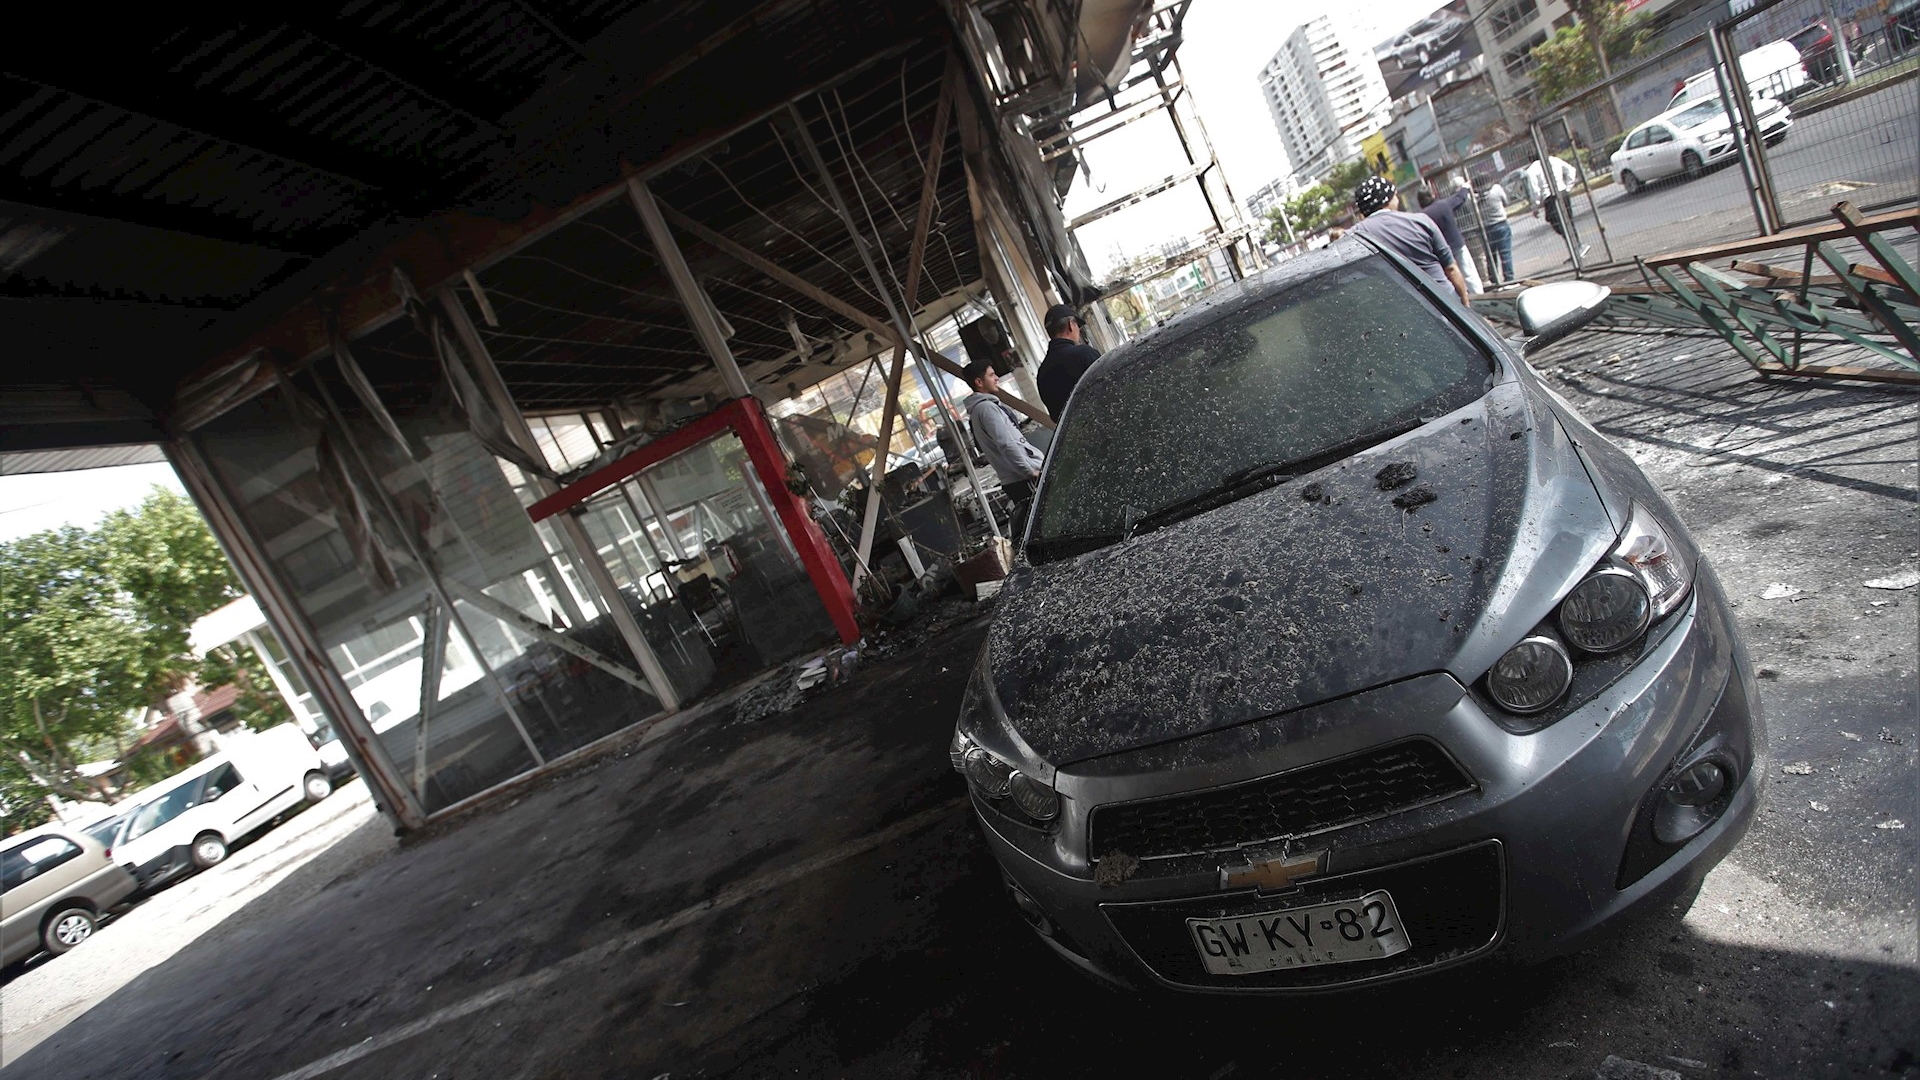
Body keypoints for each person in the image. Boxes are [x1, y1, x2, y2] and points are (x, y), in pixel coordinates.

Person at [1346, 175, 1471, 306]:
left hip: (1406, 313)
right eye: (1395, 195)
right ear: (1388, 199)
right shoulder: (1421, 221)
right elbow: (1451, 268)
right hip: (1447, 303)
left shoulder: (1352, 237)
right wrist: (1464, 303)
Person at [961, 359, 1045, 530]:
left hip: (1018, 478)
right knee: (1041, 525)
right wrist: (1029, 471)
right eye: (991, 375)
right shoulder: (986, 409)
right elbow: (1006, 444)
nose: (997, 378)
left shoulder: (982, 409)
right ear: (979, 382)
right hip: (1023, 479)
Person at [1036, 304, 1100, 420]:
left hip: (1076, 436)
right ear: (1071, 324)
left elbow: (1055, 417)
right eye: (1078, 325)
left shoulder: (1042, 373)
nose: (1079, 330)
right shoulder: (1084, 354)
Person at [1415, 188, 1484, 294]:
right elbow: (1459, 198)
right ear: (1432, 195)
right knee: (1469, 274)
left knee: (1451, 278)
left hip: (1440, 252)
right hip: (1457, 245)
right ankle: (1479, 295)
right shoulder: (1444, 205)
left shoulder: (1422, 216)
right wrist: (1465, 188)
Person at [1523, 155, 1580, 240]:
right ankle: (1576, 242)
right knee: (1568, 219)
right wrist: (1568, 187)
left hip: (1550, 197)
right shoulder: (1554, 160)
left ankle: (1573, 241)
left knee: (1554, 220)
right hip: (1562, 192)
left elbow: (1535, 190)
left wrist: (1536, 206)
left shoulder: (1532, 169)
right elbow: (1571, 170)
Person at [1473, 174, 1515, 285]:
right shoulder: (1496, 189)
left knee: (1491, 256)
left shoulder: (1475, 196)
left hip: (1486, 228)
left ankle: (1494, 280)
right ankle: (1509, 279)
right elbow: (1506, 202)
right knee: (1505, 253)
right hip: (1501, 224)